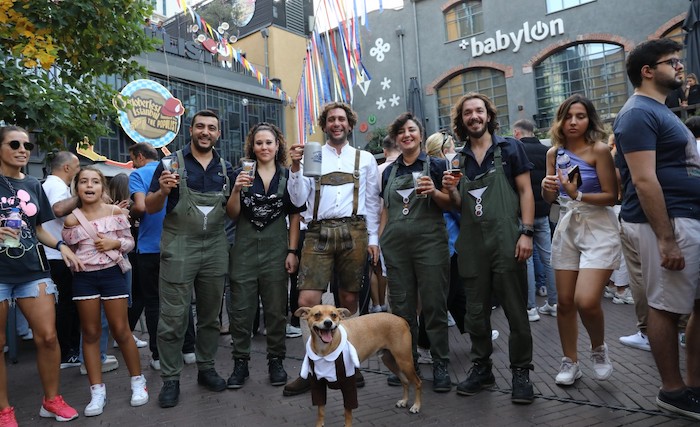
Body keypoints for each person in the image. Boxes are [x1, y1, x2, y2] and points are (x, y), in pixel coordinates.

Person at [613, 38, 700, 419]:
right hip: (669, 224)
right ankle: (673, 390)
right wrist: (666, 239)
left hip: (686, 218)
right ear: (648, 71)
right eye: (672, 62)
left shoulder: (661, 110)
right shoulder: (637, 114)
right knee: (665, 307)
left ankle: (694, 385)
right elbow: (644, 181)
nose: (680, 67)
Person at [442, 93, 535, 404]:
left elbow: (525, 191)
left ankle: (521, 371)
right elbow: (458, 207)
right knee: (475, 312)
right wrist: (451, 191)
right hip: (471, 244)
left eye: (479, 111)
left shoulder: (510, 147)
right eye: (467, 112)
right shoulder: (457, 158)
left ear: (488, 115)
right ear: (462, 120)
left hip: (507, 239)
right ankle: (482, 368)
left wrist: (527, 232)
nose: (474, 117)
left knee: (515, 310)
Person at [284, 102, 381, 396]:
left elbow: (374, 203)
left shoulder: (364, 159)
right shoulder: (314, 154)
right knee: (308, 297)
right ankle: (311, 367)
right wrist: (296, 169)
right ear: (325, 125)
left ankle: (346, 364)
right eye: (331, 120)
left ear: (349, 124)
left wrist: (374, 239)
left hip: (355, 230)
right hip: (317, 231)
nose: (336, 123)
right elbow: (299, 199)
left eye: (341, 119)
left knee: (349, 299)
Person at [145, 110, 235, 408]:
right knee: (173, 318)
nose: (205, 132)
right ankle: (171, 379)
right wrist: (162, 190)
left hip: (215, 248)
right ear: (191, 130)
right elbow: (149, 206)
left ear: (218, 133)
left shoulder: (225, 167)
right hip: (179, 247)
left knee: (210, 316)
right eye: (200, 126)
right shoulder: (170, 164)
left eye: (211, 127)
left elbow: (232, 211)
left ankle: (206, 368)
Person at [0, 126, 81, 424]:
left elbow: (37, 230)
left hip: (32, 271)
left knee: (48, 338)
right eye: (15, 144)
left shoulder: (34, 184)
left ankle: (51, 401)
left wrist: (62, 246)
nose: (23, 149)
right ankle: (4, 410)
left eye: (27, 145)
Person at [541, 95, 619, 386]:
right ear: (560, 120)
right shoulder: (553, 153)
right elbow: (551, 198)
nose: (573, 122)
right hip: (567, 225)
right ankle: (570, 362)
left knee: (585, 300)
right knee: (563, 302)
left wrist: (577, 194)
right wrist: (546, 187)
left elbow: (612, 196)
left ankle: (598, 349)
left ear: (590, 120)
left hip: (598, 227)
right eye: (568, 116)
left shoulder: (599, 151)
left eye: (580, 116)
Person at [62, 167, 148, 417]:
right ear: (76, 187)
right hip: (84, 280)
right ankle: (97, 391)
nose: (90, 186)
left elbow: (130, 242)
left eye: (95, 182)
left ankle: (137, 382)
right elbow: (68, 248)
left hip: (112, 275)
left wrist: (115, 243)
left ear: (103, 188)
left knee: (121, 331)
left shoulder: (116, 213)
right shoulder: (71, 219)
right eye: (84, 182)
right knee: (89, 333)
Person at [226, 122, 304, 389]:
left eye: (268, 142)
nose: (264, 147)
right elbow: (232, 214)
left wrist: (292, 251)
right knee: (241, 311)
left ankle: (276, 361)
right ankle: (240, 364)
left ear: (277, 144)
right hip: (244, 251)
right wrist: (236, 189)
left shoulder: (287, 175)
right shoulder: (242, 173)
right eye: (259, 143)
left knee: (276, 310)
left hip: (276, 250)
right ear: (252, 146)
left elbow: (295, 215)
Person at [379, 113, 453, 392]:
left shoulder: (436, 165)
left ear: (421, 135)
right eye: (401, 132)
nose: (406, 135)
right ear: (396, 138)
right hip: (396, 248)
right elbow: (385, 209)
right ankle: (406, 363)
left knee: (434, 305)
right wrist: (382, 241)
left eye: (411, 130)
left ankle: (441, 363)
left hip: (430, 244)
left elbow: (451, 204)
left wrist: (434, 191)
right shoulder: (388, 171)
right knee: (402, 309)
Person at [128, 143, 196, 372]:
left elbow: (140, 206)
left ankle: (158, 356)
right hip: (179, 244)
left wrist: (130, 210)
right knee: (182, 299)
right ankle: (189, 350)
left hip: (149, 247)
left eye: (132, 158)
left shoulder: (137, 174)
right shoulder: (176, 169)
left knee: (154, 303)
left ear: (138, 157)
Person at [512, 119, 558, 320]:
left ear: (517, 133)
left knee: (526, 260)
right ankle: (554, 303)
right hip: (544, 211)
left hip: (524, 214)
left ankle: (530, 308)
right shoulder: (545, 150)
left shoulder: (516, 151)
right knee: (549, 258)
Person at [41, 151, 82, 368]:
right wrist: (83, 195)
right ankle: (68, 352)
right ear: (67, 168)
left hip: (54, 253)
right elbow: (59, 210)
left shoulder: (50, 185)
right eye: (77, 168)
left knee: (65, 304)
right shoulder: (56, 186)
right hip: (57, 255)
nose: (78, 173)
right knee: (67, 305)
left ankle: (67, 350)